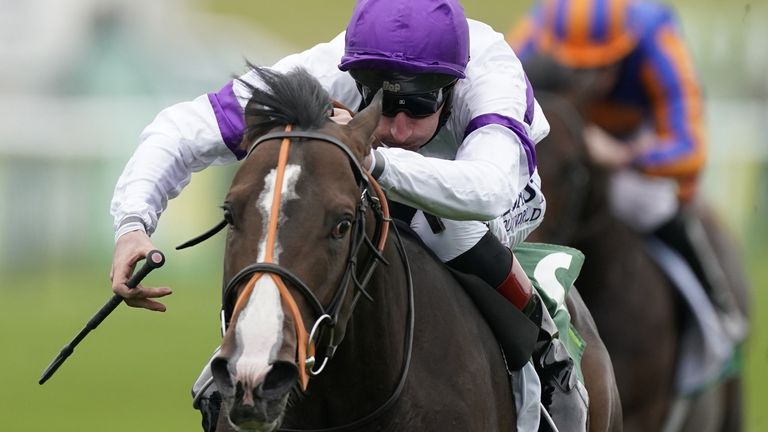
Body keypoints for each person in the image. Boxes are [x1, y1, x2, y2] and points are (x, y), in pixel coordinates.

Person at [110, 0, 586, 430]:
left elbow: (488, 189)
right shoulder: (325, 68)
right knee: (303, 213)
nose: (398, 127)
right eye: (383, 103)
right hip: (362, 175)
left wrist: (372, 157)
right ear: (357, 79)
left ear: (453, 84)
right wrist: (133, 223)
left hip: (492, 196)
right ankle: (248, 350)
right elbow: (180, 130)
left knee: (449, 229)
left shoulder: (491, 73)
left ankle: (546, 351)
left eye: (419, 104)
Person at [508, 0, 745, 349]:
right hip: (565, 131)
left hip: (634, 141)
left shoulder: (658, 38)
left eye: (603, 66)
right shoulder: (536, 32)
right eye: (573, 70)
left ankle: (717, 308)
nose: (588, 83)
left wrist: (625, 157)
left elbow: (690, 150)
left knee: (644, 200)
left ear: (627, 47)